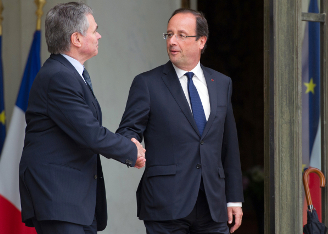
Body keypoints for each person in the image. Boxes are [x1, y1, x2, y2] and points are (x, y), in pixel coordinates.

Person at [19, 2, 145, 234]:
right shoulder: (59, 77)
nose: (99, 35)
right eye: (94, 30)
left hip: (73, 200)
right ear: (76, 39)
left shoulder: (68, 74)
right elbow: (90, 133)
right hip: (59, 197)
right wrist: (131, 150)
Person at [117, 8, 243, 234]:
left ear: (201, 41)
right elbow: (128, 129)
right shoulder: (147, 83)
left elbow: (229, 145)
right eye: (169, 34)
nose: (172, 41)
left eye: (181, 35)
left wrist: (234, 199)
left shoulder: (221, 83)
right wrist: (131, 144)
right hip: (166, 203)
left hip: (213, 205)